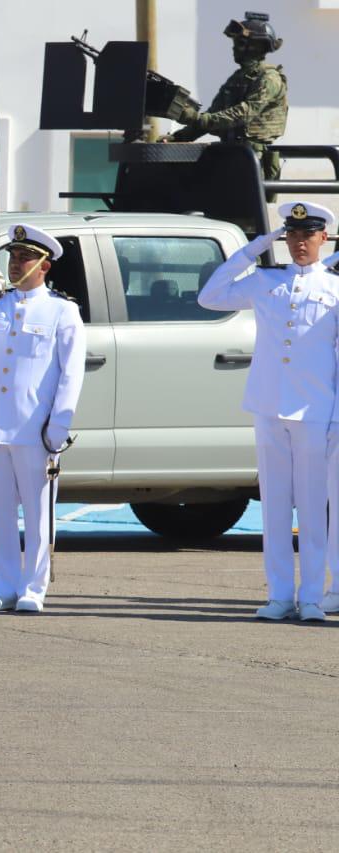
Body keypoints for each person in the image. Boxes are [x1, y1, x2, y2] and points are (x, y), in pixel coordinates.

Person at [199, 202, 339, 622]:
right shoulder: (264, 280)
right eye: (292, 236)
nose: (299, 243)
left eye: (307, 236)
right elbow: (210, 297)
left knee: (313, 509)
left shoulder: (334, 288)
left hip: (316, 410)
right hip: (268, 404)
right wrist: (252, 248)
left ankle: (312, 595)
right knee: (275, 506)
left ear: (323, 239)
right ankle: (279, 594)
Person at [0, 224, 86, 614]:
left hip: (35, 427)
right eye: (12, 257)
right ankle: (5, 585)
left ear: (44, 265)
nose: (15, 264)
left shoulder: (63, 310)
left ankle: (34, 587)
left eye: (24, 258)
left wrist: (59, 424)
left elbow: (71, 373)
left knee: (39, 511)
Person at [165, 11, 287, 180]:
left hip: (251, 158)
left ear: (256, 47)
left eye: (240, 42)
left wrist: (198, 118)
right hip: (230, 153)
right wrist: (177, 138)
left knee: (244, 205)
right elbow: (213, 114)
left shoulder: (269, 78)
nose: (234, 47)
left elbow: (245, 112)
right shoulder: (237, 78)